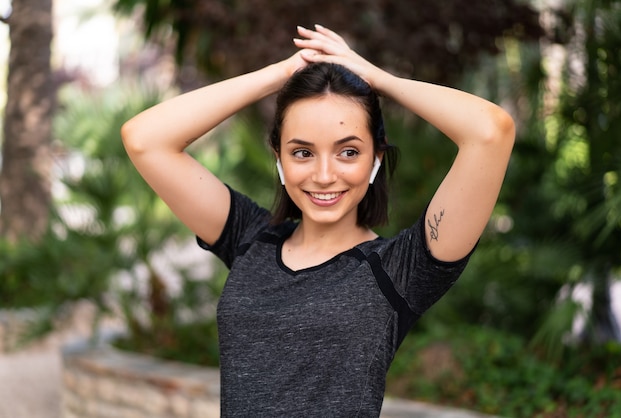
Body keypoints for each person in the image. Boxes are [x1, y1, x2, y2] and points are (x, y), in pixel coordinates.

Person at [122, 25, 515, 417]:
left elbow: (490, 132)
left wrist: (377, 78)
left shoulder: (398, 269)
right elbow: (145, 139)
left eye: (347, 152)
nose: (324, 175)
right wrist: (279, 75)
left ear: (376, 159)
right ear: (278, 157)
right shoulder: (249, 237)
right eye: (302, 152)